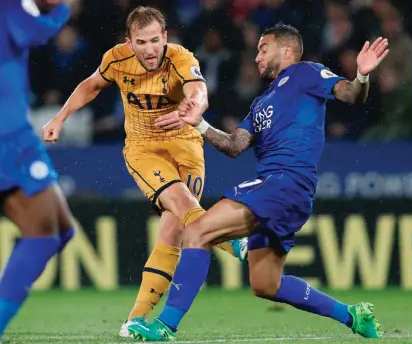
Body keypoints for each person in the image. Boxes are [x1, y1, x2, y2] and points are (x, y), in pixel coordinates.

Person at [128, 23, 389, 341]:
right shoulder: (261, 103)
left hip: (283, 182)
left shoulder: (306, 74)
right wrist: (199, 124)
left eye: (264, 49)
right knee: (266, 284)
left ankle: (165, 326)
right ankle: (352, 316)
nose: (257, 57)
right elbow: (234, 146)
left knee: (196, 231)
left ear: (287, 50)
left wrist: (361, 76)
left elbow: (350, 94)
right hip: (288, 195)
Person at [41, 6, 248, 338]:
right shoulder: (116, 59)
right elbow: (91, 85)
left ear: (165, 37)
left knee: (172, 231)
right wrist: (60, 118)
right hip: (144, 149)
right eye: (142, 42)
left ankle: (135, 320)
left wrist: (194, 108)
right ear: (130, 42)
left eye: (155, 40)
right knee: (182, 205)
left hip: (187, 145)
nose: (150, 49)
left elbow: (199, 89)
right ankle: (229, 238)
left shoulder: (180, 56)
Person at [0, 0, 75, 339]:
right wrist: (61, 10)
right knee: (43, 232)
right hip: (5, 139)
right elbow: (34, 32)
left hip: (16, 136)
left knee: (60, 231)